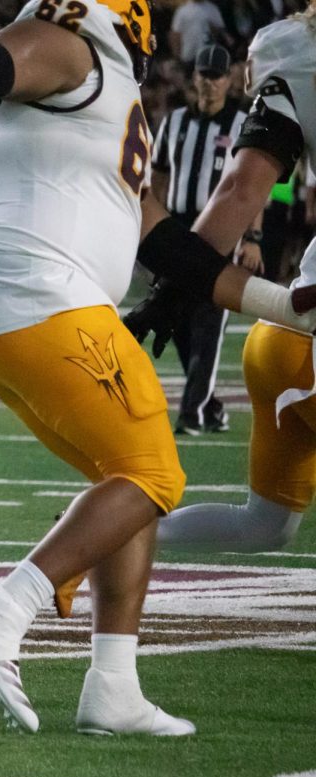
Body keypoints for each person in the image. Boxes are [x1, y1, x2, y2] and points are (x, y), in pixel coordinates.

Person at [0, 0, 316, 735]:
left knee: (131, 477)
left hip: (34, 297)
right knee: (155, 473)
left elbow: (170, 248)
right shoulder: (74, 46)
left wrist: (288, 307)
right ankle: (6, 607)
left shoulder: (108, 101)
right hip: (38, 290)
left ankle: (113, 686)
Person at [150, 6, 316, 555]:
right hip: (299, 333)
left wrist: (173, 285)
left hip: (285, 331)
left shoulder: (292, 45)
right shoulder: (291, 49)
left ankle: (105, 530)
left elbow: (243, 190)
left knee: (264, 525)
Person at [150, 44, 262, 436]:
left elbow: (254, 185)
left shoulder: (241, 124)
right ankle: (209, 407)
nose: (209, 82)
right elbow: (159, 175)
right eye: (203, 74)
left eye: (217, 75)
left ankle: (192, 412)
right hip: (177, 226)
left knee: (208, 321)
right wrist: (153, 227)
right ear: (193, 77)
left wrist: (253, 236)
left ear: (229, 81)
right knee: (176, 319)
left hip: (223, 230)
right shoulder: (174, 121)